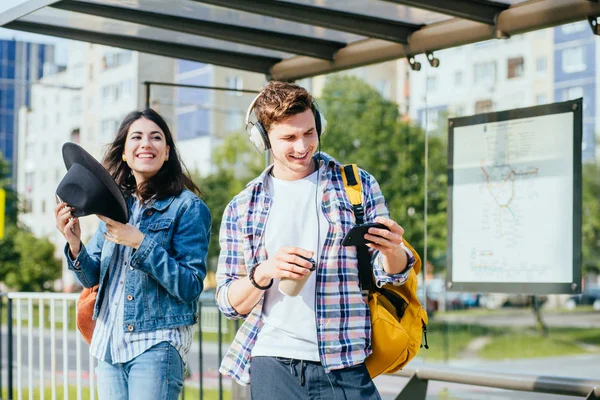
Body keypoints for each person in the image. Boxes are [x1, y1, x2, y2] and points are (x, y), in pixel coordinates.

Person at [215, 81, 416, 399]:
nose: (302, 146)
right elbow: (228, 302)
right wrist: (264, 272)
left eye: (309, 133)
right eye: (288, 138)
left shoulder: (357, 185)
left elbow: (391, 273)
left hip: (344, 359)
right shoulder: (243, 206)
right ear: (264, 138)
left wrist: (393, 250)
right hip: (272, 362)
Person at [55, 109, 211, 400]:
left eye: (156, 137)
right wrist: (74, 244)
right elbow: (92, 277)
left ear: (167, 153)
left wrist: (142, 243)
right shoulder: (114, 204)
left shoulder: (187, 208)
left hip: (156, 346)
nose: (146, 144)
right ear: (125, 152)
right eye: (136, 137)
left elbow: (190, 286)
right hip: (109, 346)